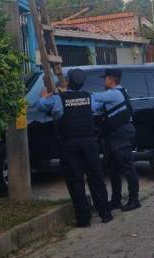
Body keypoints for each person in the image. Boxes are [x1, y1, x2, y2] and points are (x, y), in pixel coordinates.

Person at [35, 69, 112, 227]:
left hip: (69, 144)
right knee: (96, 178)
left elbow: (41, 106)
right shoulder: (88, 97)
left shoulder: (58, 99)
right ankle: (105, 214)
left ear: (68, 81)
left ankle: (84, 219)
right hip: (89, 143)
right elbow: (97, 107)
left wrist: (44, 96)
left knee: (75, 181)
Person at [92, 69, 141, 212]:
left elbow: (93, 97)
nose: (104, 81)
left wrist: (71, 94)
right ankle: (116, 200)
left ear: (111, 80)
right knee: (113, 168)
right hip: (114, 135)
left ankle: (134, 200)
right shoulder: (117, 93)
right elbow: (95, 106)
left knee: (127, 167)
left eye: (105, 79)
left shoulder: (114, 93)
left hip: (120, 134)